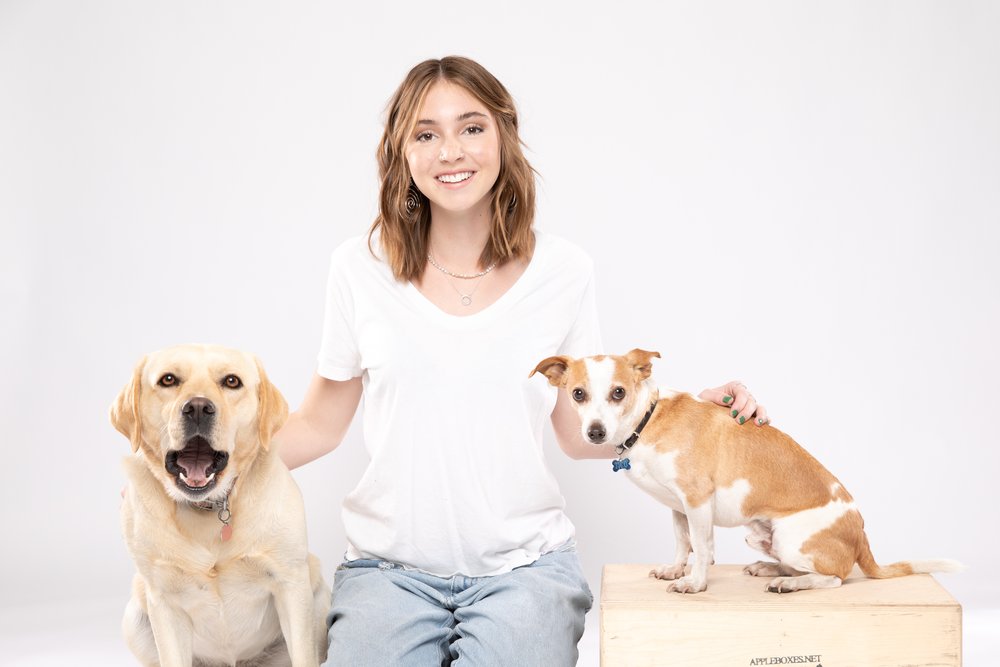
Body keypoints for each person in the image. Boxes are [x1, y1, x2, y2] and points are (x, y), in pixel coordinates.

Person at [276, 56, 769, 666]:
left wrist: (695, 413)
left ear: (504, 135)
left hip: (524, 571)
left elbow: (580, 431)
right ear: (402, 154)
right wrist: (194, 472)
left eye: (472, 128)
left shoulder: (565, 271)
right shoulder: (359, 268)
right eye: (425, 134)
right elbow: (319, 423)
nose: (450, 151)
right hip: (387, 572)